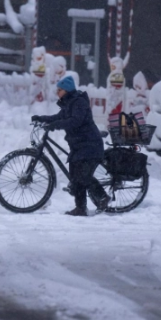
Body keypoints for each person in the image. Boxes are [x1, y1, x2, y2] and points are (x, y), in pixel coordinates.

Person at [31, 76, 110, 216]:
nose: (57, 92)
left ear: (66, 90)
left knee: (83, 176)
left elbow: (75, 121)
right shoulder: (69, 104)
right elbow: (58, 117)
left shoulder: (79, 102)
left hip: (90, 145)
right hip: (79, 146)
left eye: (59, 90)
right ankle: (80, 208)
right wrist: (41, 118)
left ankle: (103, 197)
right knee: (75, 176)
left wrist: (56, 126)